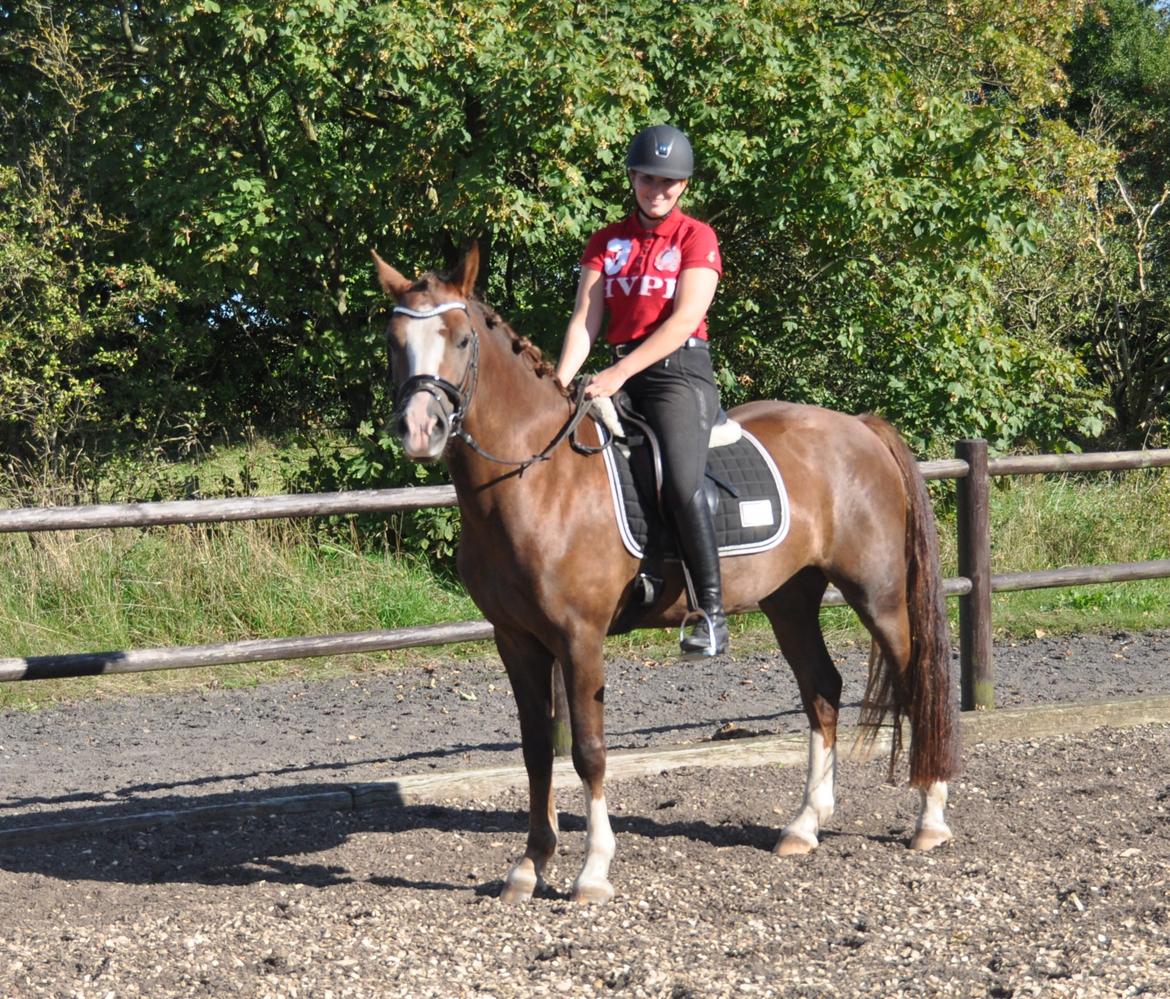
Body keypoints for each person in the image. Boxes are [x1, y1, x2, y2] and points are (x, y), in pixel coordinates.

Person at [555, 124, 728, 658]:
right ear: (633, 177)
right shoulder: (606, 242)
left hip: (678, 374)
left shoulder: (696, 237)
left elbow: (682, 323)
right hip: (616, 370)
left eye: (669, 182)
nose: (658, 189)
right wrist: (560, 383)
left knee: (678, 481)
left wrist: (620, 374)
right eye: (649, 178)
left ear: (683, 187)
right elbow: (586, 319)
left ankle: (711, 611)